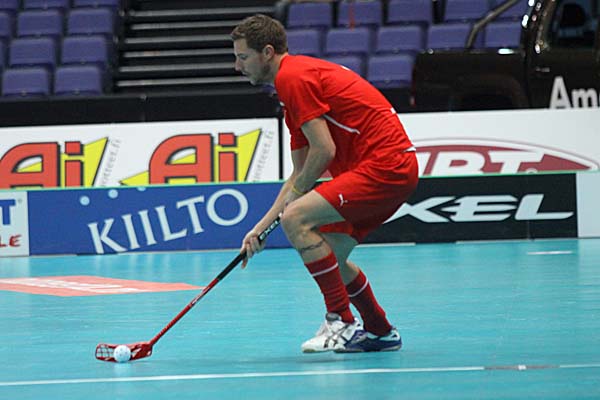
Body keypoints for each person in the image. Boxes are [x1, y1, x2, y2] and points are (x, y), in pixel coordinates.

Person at [231, 14, 418, 353]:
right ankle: (380, 331)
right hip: (385, 168)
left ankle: (341, 321)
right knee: (330, 253)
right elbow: (299, 174)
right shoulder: (289, 91)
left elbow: (324, 151)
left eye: (243, 57)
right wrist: (259, 229)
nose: (237, 66)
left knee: (296, 218)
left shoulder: (293, 78)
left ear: (267, 52)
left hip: (385, 165)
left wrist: (294, 202)